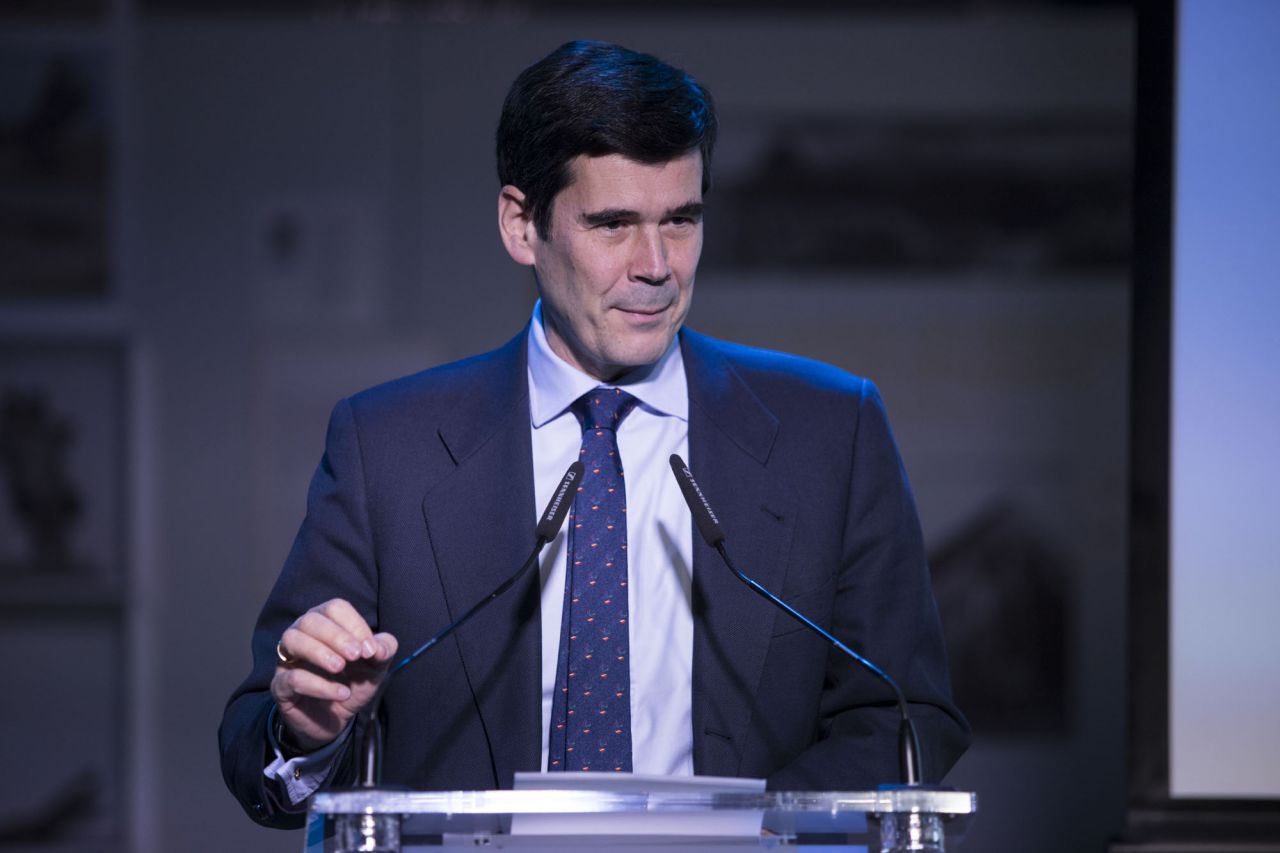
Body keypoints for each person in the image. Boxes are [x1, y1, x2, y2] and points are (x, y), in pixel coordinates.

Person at [220, 39, 968, 829]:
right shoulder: (386, 447)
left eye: (681, 220)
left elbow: (905, 715)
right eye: (613, 224)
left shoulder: (833, 429)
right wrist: (309, 731)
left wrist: (741, 837)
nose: (657, 265)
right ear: (521, 225)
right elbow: (254, 745)